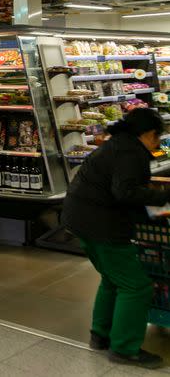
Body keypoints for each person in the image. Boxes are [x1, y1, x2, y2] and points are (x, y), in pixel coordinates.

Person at [63, 108, 170, 369]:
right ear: (147, 133)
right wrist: (163, 196)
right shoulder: (131, 152)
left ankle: (101, 334)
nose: (158, 145)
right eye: (157, 138)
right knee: (136, 286)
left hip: (79, 219)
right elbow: (126, 191)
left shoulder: (118, 144)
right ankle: (124, 348)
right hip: (103, 225)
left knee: (112, 279)